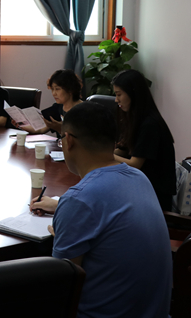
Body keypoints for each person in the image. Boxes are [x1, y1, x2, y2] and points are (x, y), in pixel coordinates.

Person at [30, 102, 171, 317]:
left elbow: (60, 289)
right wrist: (60, 209)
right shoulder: (139, 177)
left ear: (68, 140)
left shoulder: (79, 200)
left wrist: (63, 232)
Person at [111, 69, 176, 211]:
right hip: (141, 189)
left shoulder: (150, 124)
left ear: (133, 93)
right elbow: (124, 150)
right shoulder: (135, 118)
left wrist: (105, 155)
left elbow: (135, 164)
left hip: (154, 198)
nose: (116, 100)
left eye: (119, 94)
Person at [13, 69, 83, 136]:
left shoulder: (83, 110)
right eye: (52, 89)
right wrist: (21, 124)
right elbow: (41, 129)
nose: (54, 93)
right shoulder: (57, 108)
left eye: (57, 89)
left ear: (70, 89)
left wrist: (62, 129)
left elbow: (82, 138)